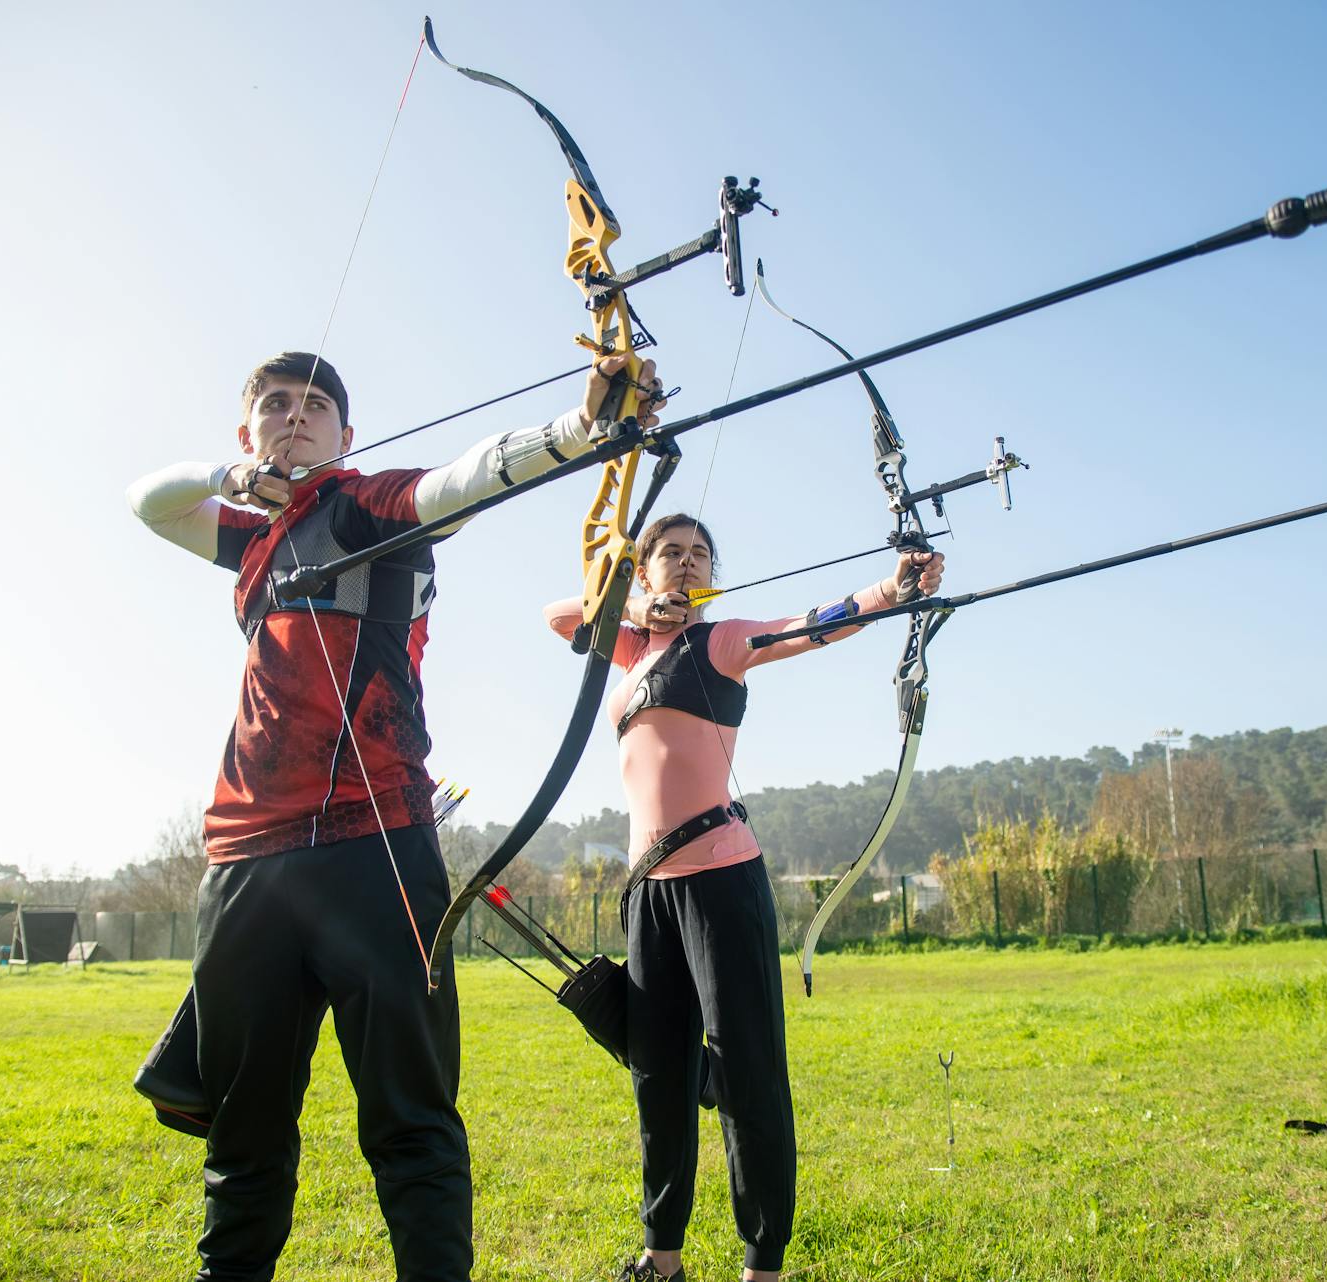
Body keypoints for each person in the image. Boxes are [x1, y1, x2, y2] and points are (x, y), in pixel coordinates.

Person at [127, 349, 665, 1282]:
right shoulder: (251, 537)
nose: (296, 417)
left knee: (410, 1122)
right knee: (244, 1132)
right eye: (276, 406)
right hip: (245, 855)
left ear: (347, 434)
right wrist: (235, 482)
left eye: (317, 406)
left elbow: (465, 478)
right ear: (248, 433)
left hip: (373, 846)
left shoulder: (370, 503)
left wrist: (582, 431)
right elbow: (148, 501)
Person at [542, 515, 945, 1282]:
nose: (686, 563)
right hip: (647, 897)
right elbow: (558, 615)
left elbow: (810, 626)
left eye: (700, 554)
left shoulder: (721, 640)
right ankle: (662, 1257)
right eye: (670, 553)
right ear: (646, 568)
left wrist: (893, 588)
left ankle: (763, 1264)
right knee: (656, 1073)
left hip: (722, 880)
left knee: (746, 1069)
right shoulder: (627, 651)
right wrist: (632, 608)